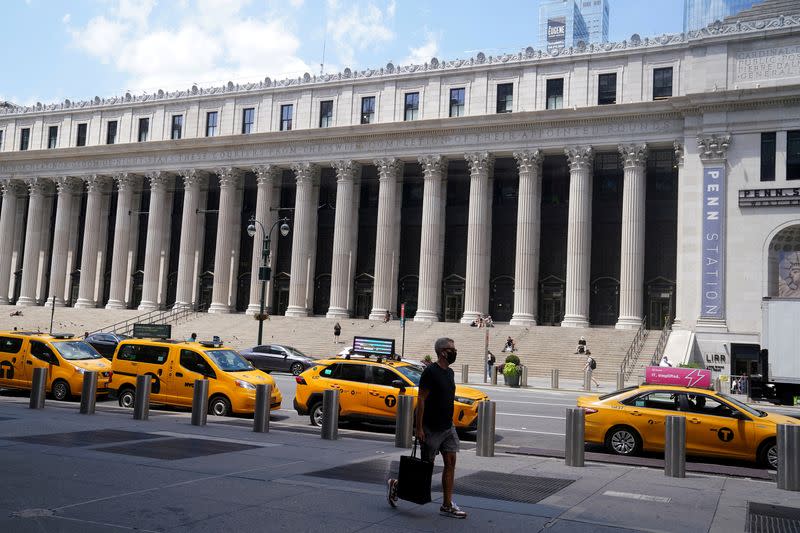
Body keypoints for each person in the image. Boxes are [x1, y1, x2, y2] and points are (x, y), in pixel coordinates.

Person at [387, 337, 466, 519]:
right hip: (431, 427)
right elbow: (421, 399)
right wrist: (419, 428)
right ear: (442, 352)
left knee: (451, 463)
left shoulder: (450, 373)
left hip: (448, 426)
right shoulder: (430, 372)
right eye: (451, 349)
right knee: (425, 470)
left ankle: (447, 505)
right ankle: (396, 485)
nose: (454, 351)